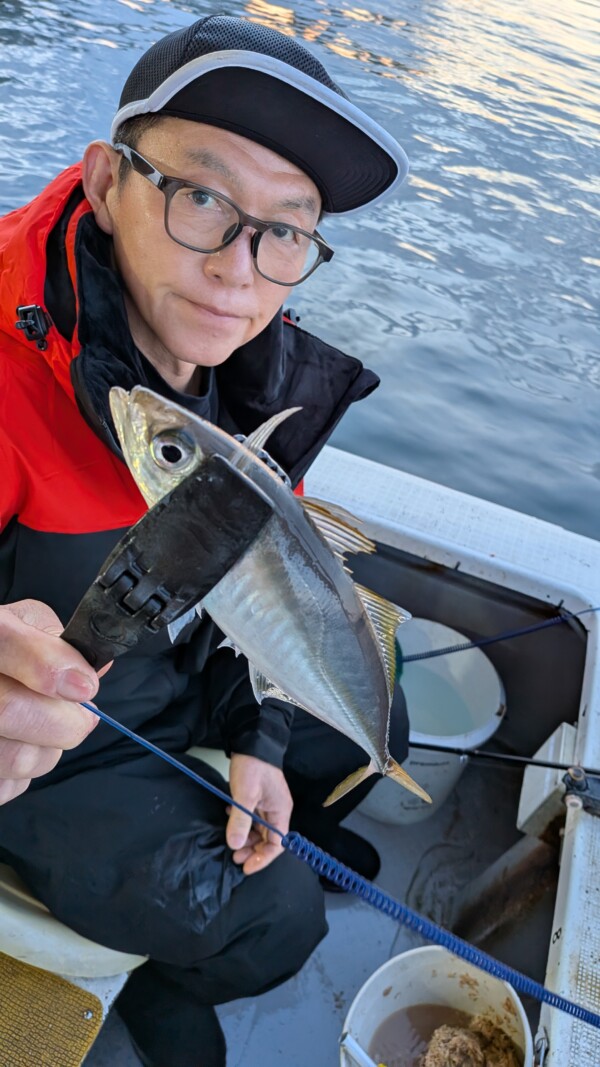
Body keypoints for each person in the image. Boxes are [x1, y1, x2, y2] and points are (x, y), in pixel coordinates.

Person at [0, 14, 410, 1067]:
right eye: (201, 198)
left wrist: (259, 740)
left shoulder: (256, 369)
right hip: (62, 746)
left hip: (187, 658)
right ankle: (158, 975)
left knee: (378, 718)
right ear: (106, 183)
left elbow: (265, 585)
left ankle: (260, 822)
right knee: (278, 920)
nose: (240, 270)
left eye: (286, 230)